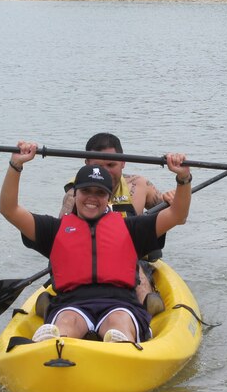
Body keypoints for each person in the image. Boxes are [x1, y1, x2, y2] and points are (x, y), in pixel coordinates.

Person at [0, 141, 192, 344]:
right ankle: (52, 344)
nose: (92, 198)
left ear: (108, 197)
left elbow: (178, 215)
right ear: (76, 193)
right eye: (86, 191)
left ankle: (122, 345)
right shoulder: (54, 229)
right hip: (71, 305)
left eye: (99, 192)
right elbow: (9, 210)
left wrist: (183, 178)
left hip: (121, 304)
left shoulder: (131, 229)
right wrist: (16, 164)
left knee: (118, 322)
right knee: (67, 322)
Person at [58, 132, 174, 316]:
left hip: (131, 258)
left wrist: (173, 196)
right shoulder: (75, 194)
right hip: (89, 262)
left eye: (111, 165)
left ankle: (145, 306)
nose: (105, 170)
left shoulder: (138, 185)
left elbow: (167, 208)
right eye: (98, 166)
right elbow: (61, 240)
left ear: (122, 162)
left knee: (131, 261)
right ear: (87, 164)